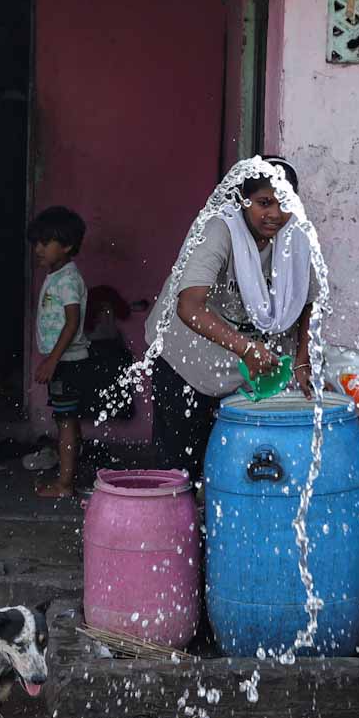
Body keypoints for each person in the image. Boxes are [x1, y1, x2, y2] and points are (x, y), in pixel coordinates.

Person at [144, 157, 319, 482]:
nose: (276, 214)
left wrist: (302, 360)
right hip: (186, 358)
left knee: (235, 466)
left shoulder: (296, 239)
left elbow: (309, 301)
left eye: (284, 202)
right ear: (243, 199)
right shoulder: (218, 231)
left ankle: (220, 528)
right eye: (265, 202)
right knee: (179, 466)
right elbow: (189, 306)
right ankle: (176, 529)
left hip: (244, 367)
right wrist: (247, 348)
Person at [27, 205, 90, 499]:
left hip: (66, 363)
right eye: (36, 243)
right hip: (64, 361)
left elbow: (73, 321)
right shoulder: (58, 275)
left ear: (66, 246)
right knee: (68, 418)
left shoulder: (67, 280)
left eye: (45, 243)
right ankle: (72, 468)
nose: (38, 249)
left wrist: (52, 360)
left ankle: (65, 485)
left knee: (65, 421)